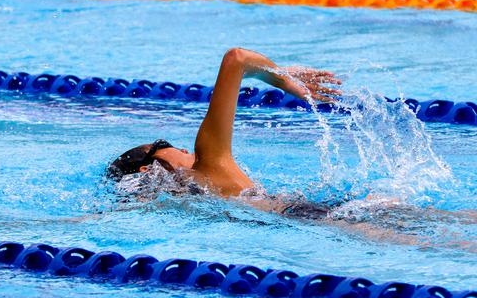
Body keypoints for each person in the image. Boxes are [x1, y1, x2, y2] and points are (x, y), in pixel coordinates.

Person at [106, 47, 342, 219]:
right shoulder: (206, 161)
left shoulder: (191, 204)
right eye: (165, 145)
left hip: (310, 218)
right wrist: (284, 80)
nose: (184, 149)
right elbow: (237, 58)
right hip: (320, 215)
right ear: (149, 169)